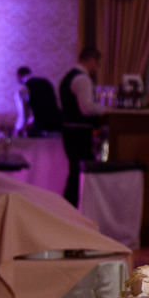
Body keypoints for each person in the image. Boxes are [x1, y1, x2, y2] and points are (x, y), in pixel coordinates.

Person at [60, 47, 105, 205]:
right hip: (79, 133)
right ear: (91, 60)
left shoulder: (68, 77)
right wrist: (107, 110)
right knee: (80, 172)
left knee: (74, 171)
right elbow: (86, 108)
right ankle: (75, 207)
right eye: (97, 63)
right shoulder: (82, 79)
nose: (97, 67)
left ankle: (68, 208)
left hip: (69, 131)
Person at [14, 66, 62, 137]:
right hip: (58, 124)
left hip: (41, 127)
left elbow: (23, 115)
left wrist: (16, 131)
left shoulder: (23, 90)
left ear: (19, 76)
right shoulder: (46, 82)